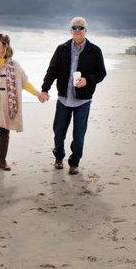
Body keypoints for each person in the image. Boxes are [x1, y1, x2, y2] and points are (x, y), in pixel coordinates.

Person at [0, 33, 46, 177]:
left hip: (7, 106)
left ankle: (2, 161)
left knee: (4, 133)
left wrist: (38, 94)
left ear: (5, 46)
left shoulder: (14, 65)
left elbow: (25, 83)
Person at [41, 17, 106, 175]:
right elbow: (52, 70)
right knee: (58, 132)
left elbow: (101, 73)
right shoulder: (62, 48)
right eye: (74, 28)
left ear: (86, 31)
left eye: (81, 28)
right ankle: (59, 157)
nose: (77, 30)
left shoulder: (95, 50)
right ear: (70, 30)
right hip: (64, 98)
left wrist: (87, 80)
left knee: (78, 135)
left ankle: (74, 162)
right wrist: (45, 89)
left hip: (83, 100)